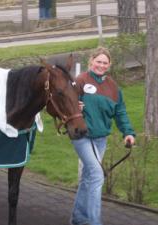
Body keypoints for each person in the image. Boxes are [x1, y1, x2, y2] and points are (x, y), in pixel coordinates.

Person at [70, 47, 135, 225]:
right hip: (82, 136)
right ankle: (93, 222)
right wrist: (76, 106)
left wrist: (128, 132)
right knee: (97, 175)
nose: (101, 65)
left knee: (88, 177)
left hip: (100, 139)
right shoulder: (80, 80)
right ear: (91, 62)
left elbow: (120, 111)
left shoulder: (113, 87)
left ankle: (78, 219)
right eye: (98, 61)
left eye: (105, 63)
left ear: (109, 65)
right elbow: (65, 103)